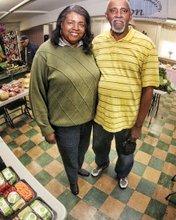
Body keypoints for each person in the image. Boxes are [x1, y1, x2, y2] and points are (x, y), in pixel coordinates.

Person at [29, 5, 100, 195]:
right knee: (69, 156)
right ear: (61, 24)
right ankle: (73, 180)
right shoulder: (45, 52)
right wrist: (45, 127)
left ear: (86, 28)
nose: (75, 28)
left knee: (81, 151)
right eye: (70, 22)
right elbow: (36, 92)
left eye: (81, 24)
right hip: (64, 123)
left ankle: (77, 168)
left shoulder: (88, 50)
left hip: (88, 119)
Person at [91, 0, 160, 189]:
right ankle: (102, 164)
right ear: (107, 16)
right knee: (99, 147)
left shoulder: (146, 45)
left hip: (128, 118)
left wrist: (138, 125)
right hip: (101, 114)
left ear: (131, 15)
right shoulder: (97, 43)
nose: (119, 14)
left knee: (126, 153)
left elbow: (149, 88)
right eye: (113, 11)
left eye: (124, 11)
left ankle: (122, 173)